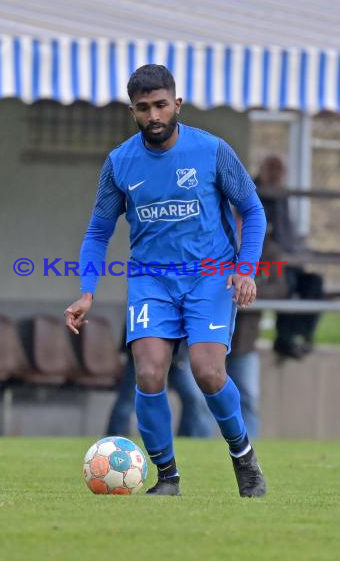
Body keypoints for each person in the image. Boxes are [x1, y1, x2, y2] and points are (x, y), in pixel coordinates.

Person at [65, 64, 267, 497]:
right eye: (143, 108)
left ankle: (243, 458)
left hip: (210, 276)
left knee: (208, 372)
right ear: (132, 111)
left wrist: (245, 268)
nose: (153, 115)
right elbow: (99, 231)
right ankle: (167, 478)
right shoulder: (120, 162)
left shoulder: (212, 151)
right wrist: (86, 291)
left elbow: (253, 211)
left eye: (160, 105)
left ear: (176, 103)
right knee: (150, 374)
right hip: (150, 280)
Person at [255, 156, 323, 359]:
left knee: (314, 283)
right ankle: (284, 339)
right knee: (287, 284)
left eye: (279, 169)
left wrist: (300, 248)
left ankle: (302, 335)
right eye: (272, 168)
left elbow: (287, 233)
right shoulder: (253, 193)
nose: (276, 173)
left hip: (286, 259)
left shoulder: (282, 195)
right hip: (266, 263)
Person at [226, 230, 289, 437]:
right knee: (199, 399)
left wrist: (247, 289)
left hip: (244, 341)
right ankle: (197, 447)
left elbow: (280, 289)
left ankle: (249, 451)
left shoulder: (268, 251)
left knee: (248, 398)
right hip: (206, 336)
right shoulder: (214, 240)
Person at [107, 340, 214, 438]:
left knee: (196, 398)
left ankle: (190, 442)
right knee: (130, 400)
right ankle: (114, 441)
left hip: (179, 352)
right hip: (145, 350)